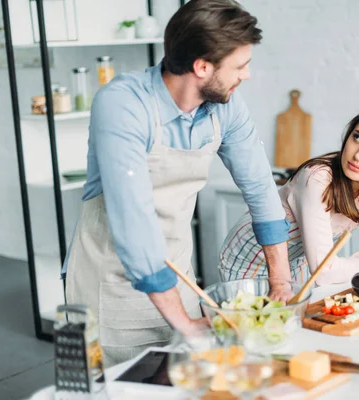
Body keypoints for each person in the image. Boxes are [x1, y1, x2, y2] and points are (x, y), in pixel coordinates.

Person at [62, 0, 292, 367]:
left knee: (189, 382)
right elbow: (134, 222)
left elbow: (261, 189)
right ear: (202, 66)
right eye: (240, 65)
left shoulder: (226, 106)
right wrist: (184, 325)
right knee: (126, 387)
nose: (246, 74)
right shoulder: (123, 103)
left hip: (180, 279)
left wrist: (280, 284)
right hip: (112, 286)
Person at [219, 100, 359, 285]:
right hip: (248, 263)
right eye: (358, 137)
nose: (358, 155)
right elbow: (325, 272)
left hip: (296, 263)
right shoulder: (316, 179)